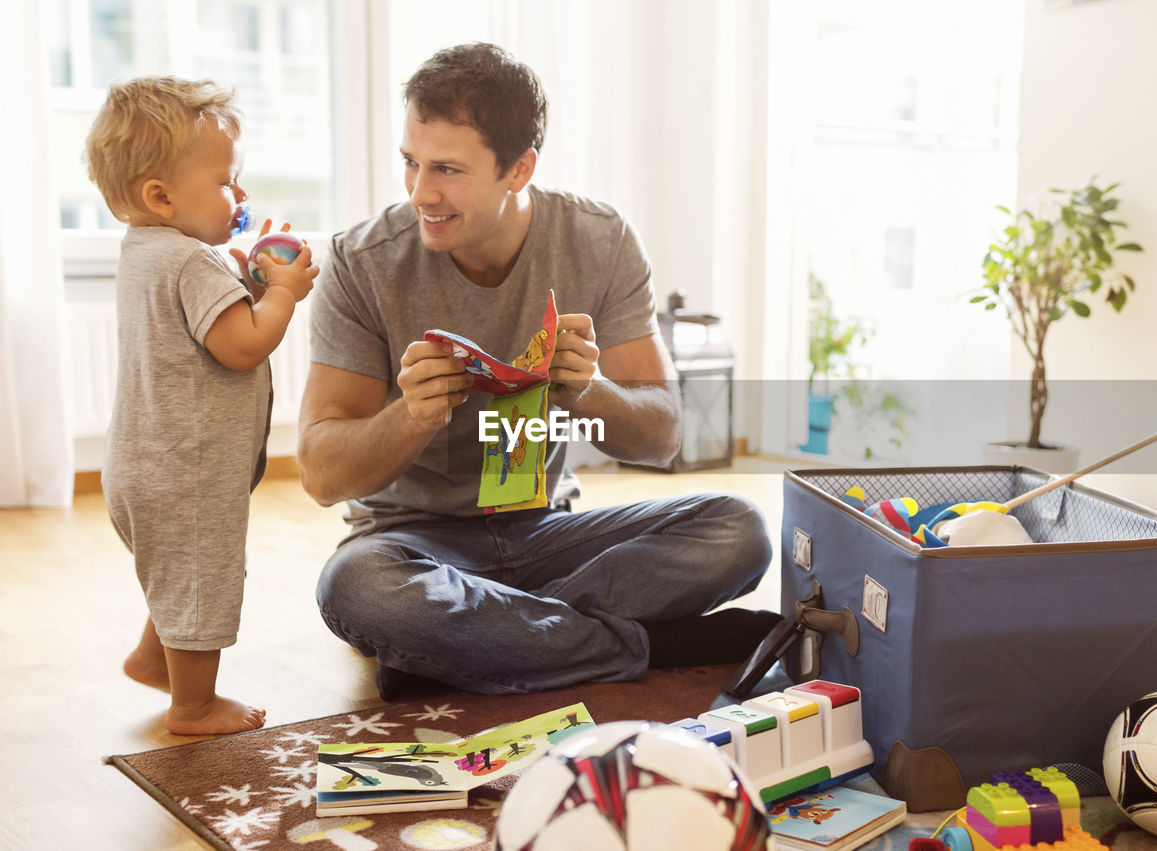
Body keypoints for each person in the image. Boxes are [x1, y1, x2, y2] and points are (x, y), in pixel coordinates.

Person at [300, 42, 777, 698]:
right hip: (411, 545)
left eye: (447, 169)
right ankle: (650, 643)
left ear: (519, 168)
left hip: (542, 528)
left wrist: (592, 392)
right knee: (358, 588)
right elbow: (322, 474)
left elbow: (664, 434)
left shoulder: (599, 240)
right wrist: (409, 417)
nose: (420, 193)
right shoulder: (362, 262)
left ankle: (475, 643)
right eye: (410, 163)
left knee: (737, 528)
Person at [86, 76, 318, 733]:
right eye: (226, 182)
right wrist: (281, 295)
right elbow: (240, 343)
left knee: (175, 568)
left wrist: (245, 274)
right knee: (199, 577)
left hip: (143, 464)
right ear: (159, 196)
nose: (239, 195)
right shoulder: (191, 264)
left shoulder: (147, 254)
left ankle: (152, 655)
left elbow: (199, 325)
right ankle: (192, 704)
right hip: (184, 472)